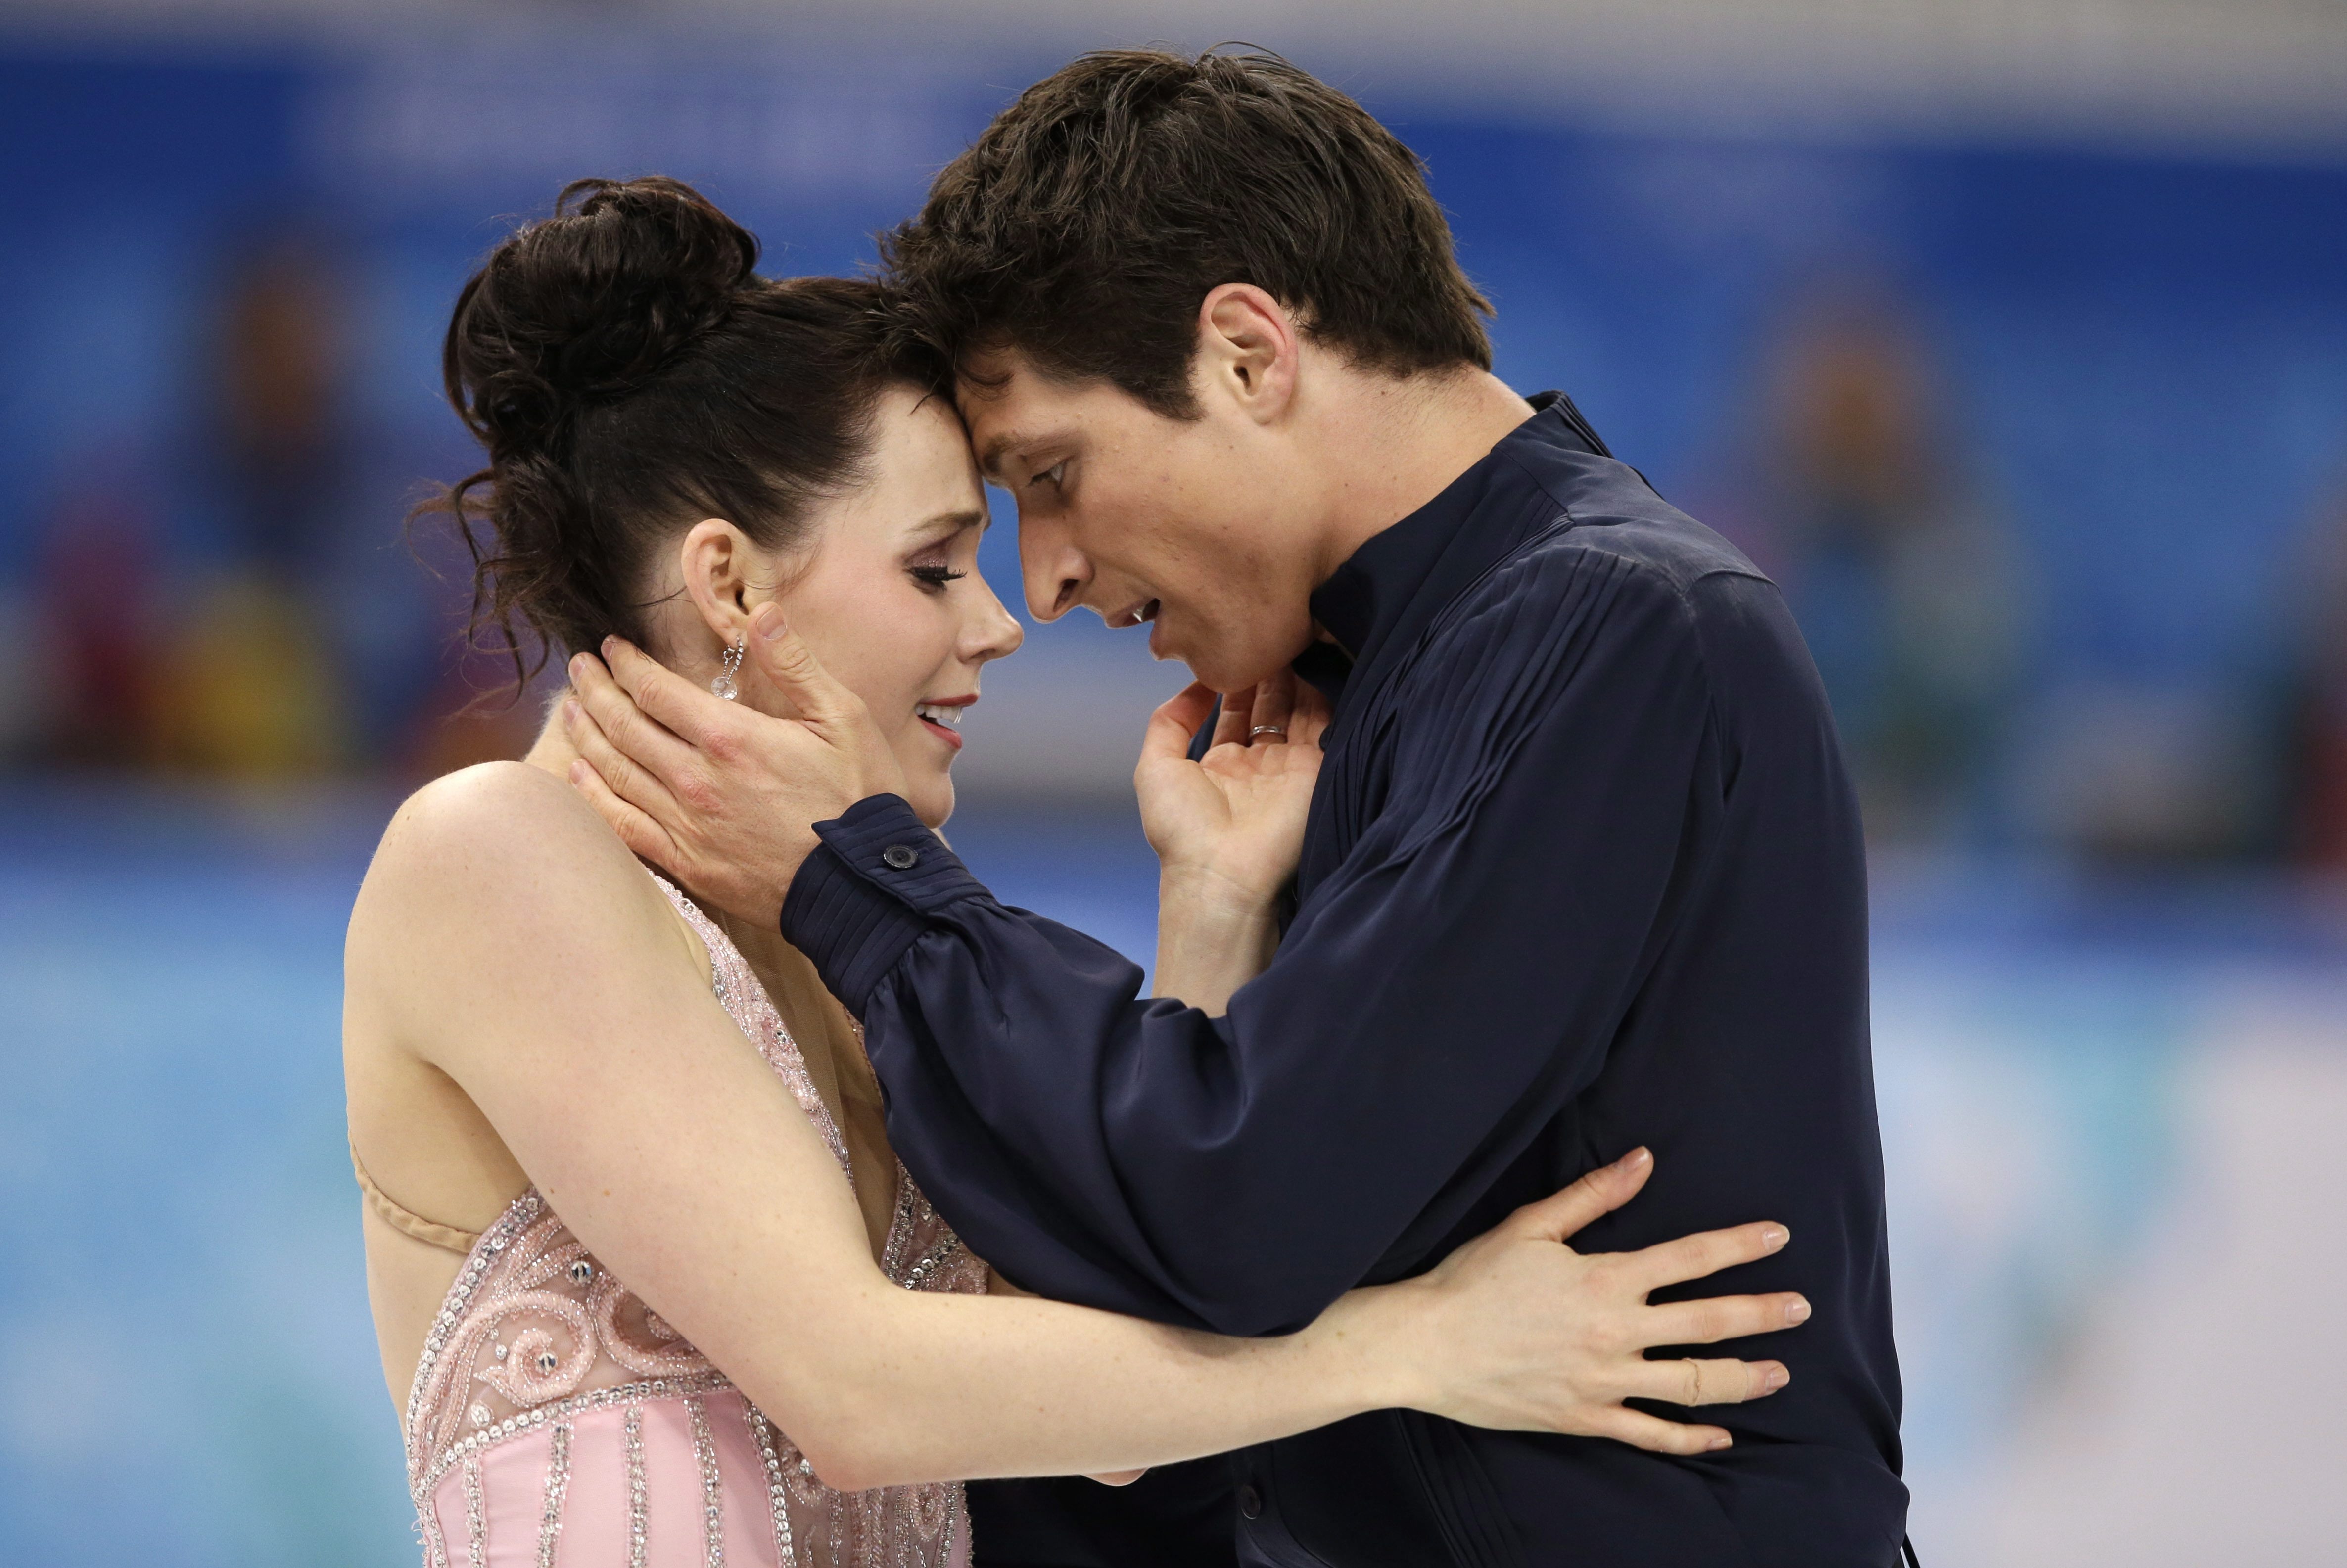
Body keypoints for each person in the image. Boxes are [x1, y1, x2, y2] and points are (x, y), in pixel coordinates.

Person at [564, 51, 1909, 1568]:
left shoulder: (1619, 630)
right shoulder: (1401, 665)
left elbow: (1247, 1205)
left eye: (1053, 476)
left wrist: (869, 891)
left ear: (1250, 357)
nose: (1050, 582)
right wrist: (1207, 918)